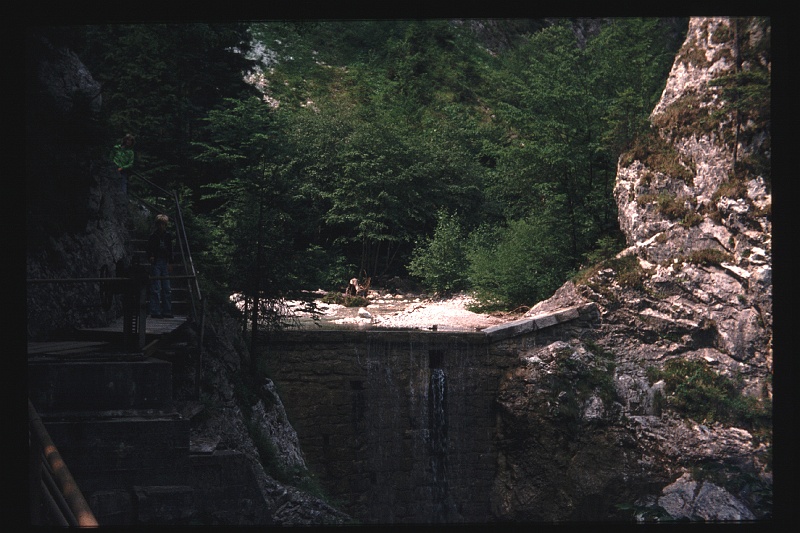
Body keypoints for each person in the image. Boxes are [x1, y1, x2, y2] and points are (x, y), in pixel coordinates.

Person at [147, 214, 174, 318]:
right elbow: (149, 249)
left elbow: (170, 249)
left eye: (163, 224)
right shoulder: (153, 236)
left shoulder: (168, 236)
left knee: (167, 288)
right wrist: (150, 257)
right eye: (159, 224)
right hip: (156, 262)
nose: (161, 226)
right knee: (156, 288)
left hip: (165, 262)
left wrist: (171, 262)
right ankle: (155, 311)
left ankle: (167, 310)